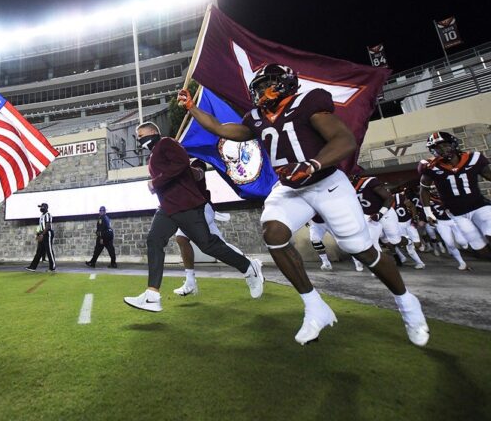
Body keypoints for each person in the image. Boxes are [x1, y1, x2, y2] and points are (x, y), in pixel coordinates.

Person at [179, 63, 429, 346]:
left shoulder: (307, 102)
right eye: (258, 87)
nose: (261, 91)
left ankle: (407, 303)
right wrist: (192, 107)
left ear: (285, 82)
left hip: (326, 183)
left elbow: (343, 139)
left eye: (266, 84)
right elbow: (219, 128)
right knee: (273, 234)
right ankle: (315, 306)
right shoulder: (257, 118)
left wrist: (313, 164)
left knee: (359, 249)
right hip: (290, 188)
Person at [123, 122, 264, 312]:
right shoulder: (155, 152)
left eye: (140, 135)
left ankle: (249, 267)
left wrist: (155, 182)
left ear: (152, 132)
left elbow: (181, 164)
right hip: (168, 208)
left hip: (186, 205)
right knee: (154, 241)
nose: (139, 139)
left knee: (208, 245)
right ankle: (152, 294)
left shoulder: (166, 143)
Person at [172, 159, 247, 296]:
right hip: (191, 209)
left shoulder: (196, 162)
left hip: (202, 207)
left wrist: (177, 166)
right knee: (222, 245)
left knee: (182, 238)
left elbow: (198, 174)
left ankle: (190, 282)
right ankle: (251, 265)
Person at [419, 131, 491, 260]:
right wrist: (428, 213)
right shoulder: (429, 166)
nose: (442, 149)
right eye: (437, 147)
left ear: (454, 144)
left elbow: (488, 175)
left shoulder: (473, 158)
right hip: (457, 213)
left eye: (445, 145)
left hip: (479, 206)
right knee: (480, 250)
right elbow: (424, 190)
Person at [350, 174, 409, 269]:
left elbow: (389, 198)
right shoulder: (347, 189)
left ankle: (409, 241)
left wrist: (380, 214)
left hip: (385, 213)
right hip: (369, 216)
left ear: (353, 176)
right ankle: (381, 266)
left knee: (395, 241)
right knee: (372, 241)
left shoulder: (369, 182)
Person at [392, 189, 426, 269]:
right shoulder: (381, 203)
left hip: (409, 222)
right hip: (399, 225)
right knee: (409, 247)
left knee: (417, 245)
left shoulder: (398, 197)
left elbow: (412, 206)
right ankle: (420, 263)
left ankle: (416, 242)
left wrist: (414, 218)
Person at [26, 202, 56, 272]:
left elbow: (48, 225)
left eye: (42, 207)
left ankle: (52, 268)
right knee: (39, 251)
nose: (41, 208)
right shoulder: (41, 216)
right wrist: (37, 234)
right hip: (41, 234)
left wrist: (42, 234)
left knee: (49, 250)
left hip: (47, 233)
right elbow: (39, 226)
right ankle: (32, 267)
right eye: (40, 207)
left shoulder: (48, 215)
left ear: (46, 208)